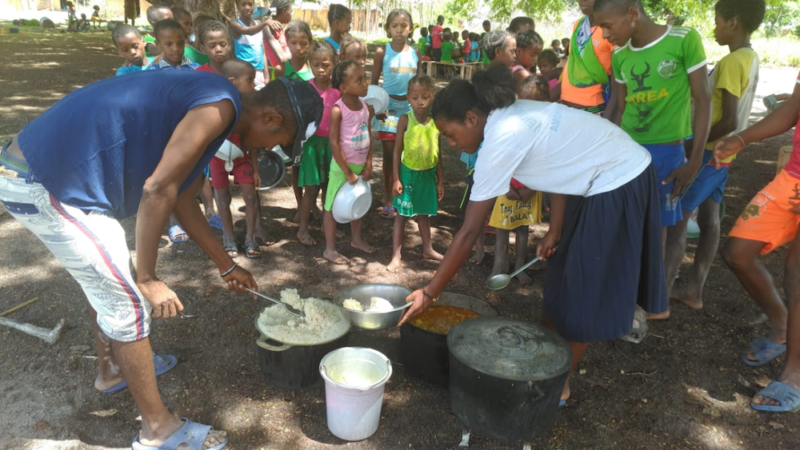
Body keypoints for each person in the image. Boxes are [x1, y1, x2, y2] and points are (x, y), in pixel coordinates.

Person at [0, 70, 321, 450]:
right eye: (278, 142)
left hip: (49, 175)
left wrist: (227, 264)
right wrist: (148, 277)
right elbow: (157, 189)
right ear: (271, 118)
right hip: (44, 181)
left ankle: (112, 370)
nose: (267, 150)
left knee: (107, 277)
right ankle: (157, 429)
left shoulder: (219, 103)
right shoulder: (218, 107)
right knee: (128, 301)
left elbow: (182, 197)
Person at [398, 64, 667, 407]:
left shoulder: (501, 136)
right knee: (560, 283)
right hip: (595, 180)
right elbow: (560, 160)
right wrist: (555, 229)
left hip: (618, 181)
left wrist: (431, 291)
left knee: (581, 295)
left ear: (470, 118)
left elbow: (469, 232)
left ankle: (560, 385)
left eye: (449, 135)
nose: (450, 145)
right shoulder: (505, 115)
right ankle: (546, 357)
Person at [595, 0, 711, 323]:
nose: (605, 35)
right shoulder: (620, 55)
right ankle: (627, 294)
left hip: (666, 154)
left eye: (608, 25)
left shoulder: (683, 40)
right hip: (628, 152)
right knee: (624, 226)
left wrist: (695, 160)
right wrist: (603, 151)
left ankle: (650, 302)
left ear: (632, 13)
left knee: (656, 231)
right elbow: (617, 107)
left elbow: (703, 100)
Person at [666, 0, 765, 311]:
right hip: (724, 157)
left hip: (710, 154)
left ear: (734, 23)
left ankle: (661, 292)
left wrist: (692, 145)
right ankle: (695, 289)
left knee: (677, 218)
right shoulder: (751, 57)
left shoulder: (732, 62)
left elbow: (729, 120)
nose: (715, 26)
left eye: (718, 20)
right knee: (710, 220)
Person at [715, 70, 800, 413]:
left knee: (796, 273)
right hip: (793, 178)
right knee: (738, 252)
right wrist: (742, 139)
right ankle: (781, 324)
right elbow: (793, 108)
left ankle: (794, 374)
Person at [387, 75, 444, 272]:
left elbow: (438, 152)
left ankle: (427, 249)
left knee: (423, 215)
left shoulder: (436, 122)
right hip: (408, 174)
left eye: (425, 97)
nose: (420, 102)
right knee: (401, 215)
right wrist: (395, 178)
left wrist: (440, 180)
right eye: (415, 97)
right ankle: (396, 256)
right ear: (408, 98)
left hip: (427, 175)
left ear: (433, 96)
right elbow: (396, 151)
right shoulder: (405, 120)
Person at [209, 60, 264, 259]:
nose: (254, 84)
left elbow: (253, 140)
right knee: (222, 198)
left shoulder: (249, 107)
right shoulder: (217, 104)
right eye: (250, 80)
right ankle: (228, 236)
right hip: (217, 158)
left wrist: (256, 168)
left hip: (242, 157)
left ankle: (250, 237)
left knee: (250, 197)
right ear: (233, 82)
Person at [324, 61, 375, 264]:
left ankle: (356, 239)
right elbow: (334, 144)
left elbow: (368, 135)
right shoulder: (338, 110)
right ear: (344, 88)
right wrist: (346, 172)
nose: (366, 83)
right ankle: (330, 249)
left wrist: (369, 164)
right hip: (342, 169)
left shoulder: (364, 106)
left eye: (365, 78)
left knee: (357, 201)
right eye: (359, 80)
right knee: (330, 205)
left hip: (360, 167)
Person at [371, 9, 420, 219]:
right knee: (390, 156)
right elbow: (373, 83)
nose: (399, 30)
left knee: (407, 155)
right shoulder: (382, 52)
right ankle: (388, 198)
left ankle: (404, 195)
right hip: (387, 109)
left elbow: (418, 85)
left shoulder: (415, 53)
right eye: (395, 26)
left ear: (410, 29)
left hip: (408, 110)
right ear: (388, 29)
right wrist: (374, 107)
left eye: (404, 26)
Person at [297, 41, 341, 246]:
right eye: (316, 65)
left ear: (334, 63)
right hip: (312, 145)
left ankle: (327, 225)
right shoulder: (306, 88)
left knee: (328, 186)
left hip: (332, 143)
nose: (321, 69)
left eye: (326, 64)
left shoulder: (339, 90)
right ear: (310, 64)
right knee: (312, 189)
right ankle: (303, 229)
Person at [560, 0, 617, 117]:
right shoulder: (579, 24)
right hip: (565, 101)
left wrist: (607, 119)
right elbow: (572, 63)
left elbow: (617, 84)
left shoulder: (611, 30)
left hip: (592, 107)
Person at [230, 0, 270, 88]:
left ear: (253, 5)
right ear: (237, 6)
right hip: (244, 72)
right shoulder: (235, 24)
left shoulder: (257, 25)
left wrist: (266, 75)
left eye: (250, 4)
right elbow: (249, 31)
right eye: (243, 4)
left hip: (259, 73)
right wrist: (265, 23)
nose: (247, 7)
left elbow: (262, 52)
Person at [264, 0, 293, 79]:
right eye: (291, 11)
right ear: (284, 12)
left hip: (286, 73)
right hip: (278, 76)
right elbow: (282, 58)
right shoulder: (268, 29)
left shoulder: (281, 29)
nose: (291, 15)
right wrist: (295, 55)